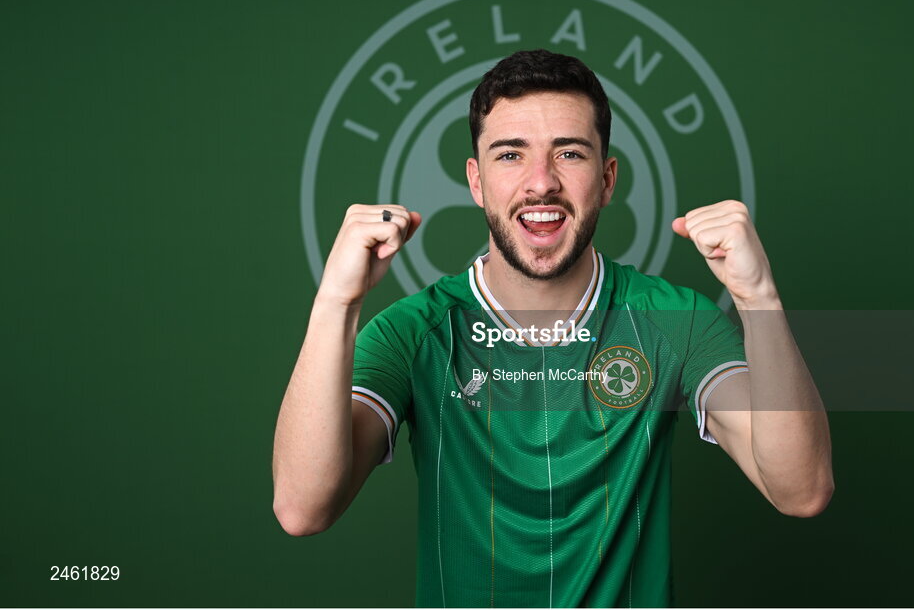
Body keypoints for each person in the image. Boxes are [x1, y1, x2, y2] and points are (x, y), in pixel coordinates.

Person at [272, 49, 833, 607]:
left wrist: (758, 298)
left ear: (608, 179)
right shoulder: (414, 331)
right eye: (510, 155)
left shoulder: (672, 318)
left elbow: (801, 489)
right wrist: (337, 302)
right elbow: (303, 508)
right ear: (476, 181)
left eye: (569, 152)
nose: (541, 183)